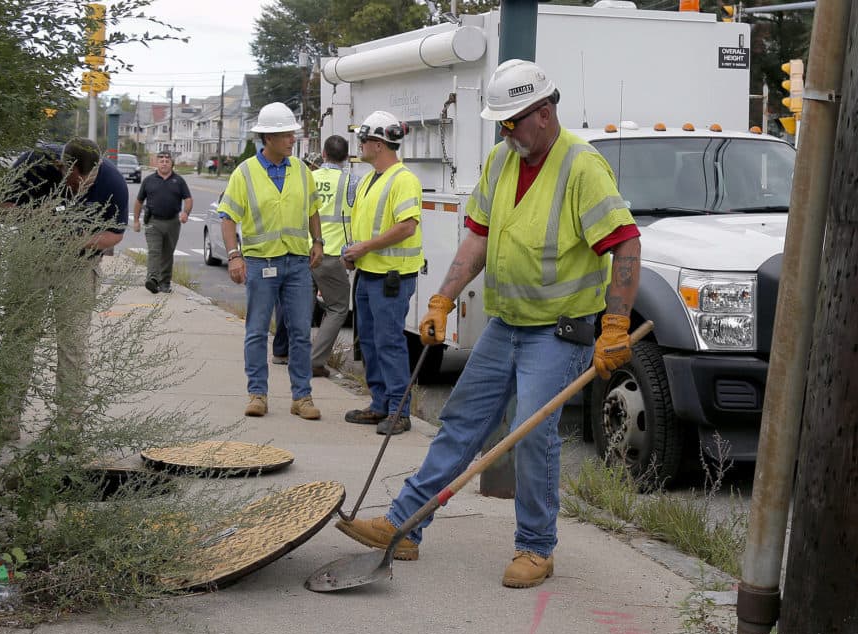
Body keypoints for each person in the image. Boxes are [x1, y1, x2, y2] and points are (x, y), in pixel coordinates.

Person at [336, 60, 641, 588]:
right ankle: (402, 526)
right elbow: (477, 236)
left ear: (544, 114)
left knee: (531, 433)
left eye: (513, 121)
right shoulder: (503, 159)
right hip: (509, 322)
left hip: (560, 328)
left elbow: (626, 243)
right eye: (500, 123)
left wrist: (614, 325)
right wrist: (442, 299)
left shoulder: (582, 167)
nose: (505, 132)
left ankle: (536, 547)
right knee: (461, 421)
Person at [2, 137, 128, 438]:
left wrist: (78, 241)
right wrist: (37, 217)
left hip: (77, 265)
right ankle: (4, 424)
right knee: (18, 338)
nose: (84, 186)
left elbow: (114, 234)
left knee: (73, 345)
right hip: (31, 257)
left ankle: (67, 431)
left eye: (90, 180)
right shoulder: (32, 163)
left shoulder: (112, 180)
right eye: (76, 181)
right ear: (62, 166)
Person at [217, 102, 325, 420]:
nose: (293, 139)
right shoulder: (245, 173)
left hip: (296, 263)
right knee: (256, 330)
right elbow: (227, 218)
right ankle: (257, 395)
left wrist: (317, 241)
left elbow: (312, 209)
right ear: (269, 137)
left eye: (292, 133)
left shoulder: (302, 171)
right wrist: (234, 255)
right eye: (287, 134)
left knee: (301, 331)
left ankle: (301, 398)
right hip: (259, 263)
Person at [341, 111, 423, 436]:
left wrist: (364, 248)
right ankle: (379, 405)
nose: (360, 145)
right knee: (371, 343)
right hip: (368, 272)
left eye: (363, 140)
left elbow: (406, 226)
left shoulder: (403, 179)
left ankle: (399, 412)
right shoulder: (369, 179)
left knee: (389, 343)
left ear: (377, 144)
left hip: (391, 277)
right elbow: (364, 224)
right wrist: (355, 253)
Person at [271, 135, 358, 377]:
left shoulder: (305, 177)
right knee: (338, 308)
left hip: (301, 251)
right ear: (347, 156)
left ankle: (288, 353)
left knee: (299, 307)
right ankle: (315, 360)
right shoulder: (352, 181)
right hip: (331, 255)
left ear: (324, 154)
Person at [132, 151, 193, 294]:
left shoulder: (178, 181)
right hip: (154, 221)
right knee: (154, 251)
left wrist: (185, 213)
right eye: (161, 160)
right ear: (156, 163)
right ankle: (152, 279)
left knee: (167, 253)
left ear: (171, 163)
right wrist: (136, 220)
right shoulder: (149, 181)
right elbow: (139, 201)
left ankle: (165, 282)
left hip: (172, 222)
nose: (164, 162)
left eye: (167, 160)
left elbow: (188, 199)